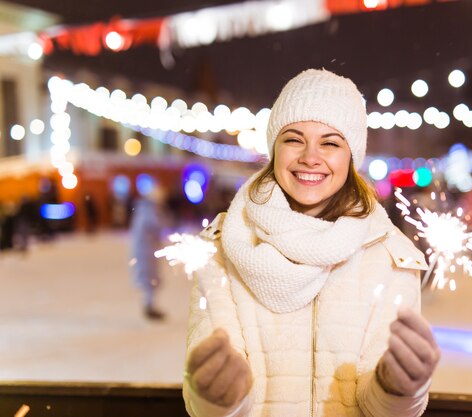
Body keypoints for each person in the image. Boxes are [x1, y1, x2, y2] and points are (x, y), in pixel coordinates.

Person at [183, 69, 440, 417]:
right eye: (293, 139)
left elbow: (385, 411)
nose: (310, 156)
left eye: (330, 142)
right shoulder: (221, 249)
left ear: (352, 155)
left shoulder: (390, 256)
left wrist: (396, 387)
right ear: (275, 148)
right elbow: (208, 409)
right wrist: (219, 396)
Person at [129, 185, 167, 320]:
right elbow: (155, 226)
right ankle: (149, 306)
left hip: (146, 251)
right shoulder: (148, 212)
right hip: (145, 252)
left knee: (150, 280)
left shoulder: (144, 211)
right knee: (149, 279)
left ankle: (149, 305)